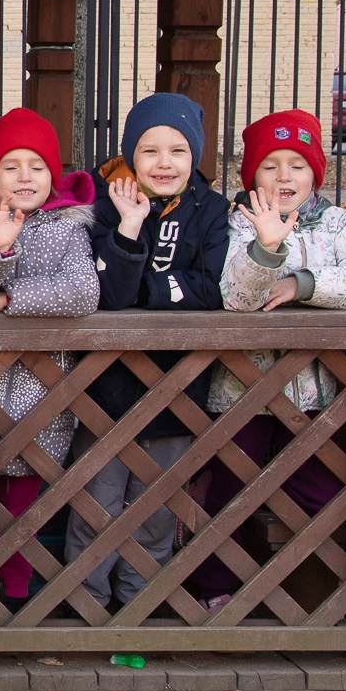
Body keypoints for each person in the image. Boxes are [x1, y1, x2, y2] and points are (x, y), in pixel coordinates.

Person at [191, 109, 346, 613]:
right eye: (270, 165)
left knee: (320, 491)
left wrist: (304, 284)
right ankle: (215, 589)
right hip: (241, 392)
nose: (283, 177)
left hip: (317, 395)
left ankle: (314, 595)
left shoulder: (336, 224)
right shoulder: (234, 224)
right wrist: (266, 248)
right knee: (230, 492)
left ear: (314, 173)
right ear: (251, 175)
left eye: (296, 165)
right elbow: (235, 295)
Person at [65, 93, 228, 609]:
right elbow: (108, 298)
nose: (164, 163)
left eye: (177, 151)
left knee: (156, 509)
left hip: (177, 385)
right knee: (97, 505)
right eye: (150, 150)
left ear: (195, 155)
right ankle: (84, 606)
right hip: (106, 387)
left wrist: (150, 289)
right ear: (131, 155)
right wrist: (131, 230)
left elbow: (214, 289)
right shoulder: (102, 204)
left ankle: (138, 606)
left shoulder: (211, 210)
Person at [0, 108, 99, 610]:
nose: (25, 176)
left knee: (24, 503)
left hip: (41, 387)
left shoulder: (69, 228)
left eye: (36, 164)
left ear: (53, 173)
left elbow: (81, 293)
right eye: (11, 165)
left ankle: (12, 595)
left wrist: (5, 301)